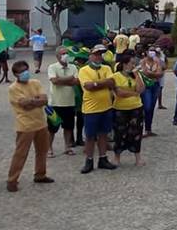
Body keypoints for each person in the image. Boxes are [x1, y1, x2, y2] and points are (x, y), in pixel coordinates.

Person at [6, 60, 54, 192]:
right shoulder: (13, 88)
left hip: (41, 123)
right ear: (16, 74)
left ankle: (40, 174)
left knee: (42, 151)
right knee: (20, 154)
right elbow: (23, 104)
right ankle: (12, 180)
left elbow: (44, 100)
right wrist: (36, 101)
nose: (24, 73)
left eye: (25, 70)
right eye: (21, 71)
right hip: (25, 125)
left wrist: (33, 101)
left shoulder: (36, 83)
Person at [78, 45, 118, 173]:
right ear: (90, 56)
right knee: (90, 136)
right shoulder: (84, 70)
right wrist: (103, 83)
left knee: (103, 134)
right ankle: (89, 160)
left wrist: (96, 83)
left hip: (106, 107)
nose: (98, 57)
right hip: (91, 109)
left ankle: (103, 158)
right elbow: (88, 86)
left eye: (100, 55)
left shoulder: (106, 67)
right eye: (96, 54)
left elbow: (112, 82)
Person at [112, 55, 146, 166]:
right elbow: (119, 93)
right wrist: (133, 93)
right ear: (124, 64)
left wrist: (136, 75)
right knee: (119, 133)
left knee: (136, 132)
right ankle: (117, 157)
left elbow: (141, 89)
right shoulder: (116, 76)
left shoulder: (135, 75)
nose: (133, 65)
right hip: (120, 108)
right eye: (131, 63)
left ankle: (137, 157)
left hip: (136, 107)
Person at [47, 47, 79, 156]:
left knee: (68, 127)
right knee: (52, 128)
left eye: (66, 53)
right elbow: (54, 81)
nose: (65, 55)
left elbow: (76, 81)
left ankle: (67, 147)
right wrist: (69, 79)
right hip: (55, 103)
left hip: (69, 102)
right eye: (63, 53)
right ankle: (49, 148)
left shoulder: (73, 67)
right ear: (57, 56)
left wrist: (61, 80)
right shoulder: (52, 67)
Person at [139, 47, 164, 137]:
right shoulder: (143, 61)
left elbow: (161, 73)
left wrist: (151, 74)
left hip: (155, 85)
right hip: (146, 86)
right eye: (150, 50)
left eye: (154, 51)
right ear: (146, 52)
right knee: (147, 107)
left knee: (152, 107)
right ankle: (141, 129)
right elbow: (145, 73)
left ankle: (148, 129)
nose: (152, 52)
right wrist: (155, 74)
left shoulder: (157, 61)